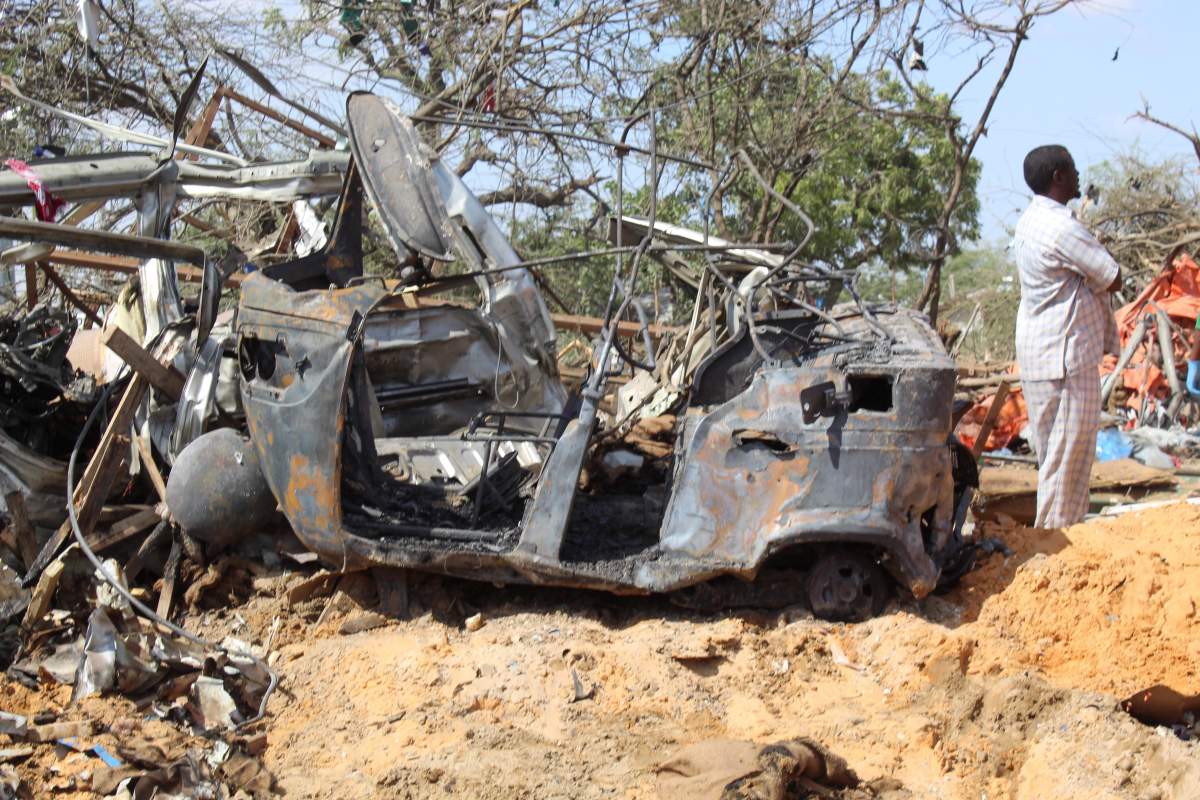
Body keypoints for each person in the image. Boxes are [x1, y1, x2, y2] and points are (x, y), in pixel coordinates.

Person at [1012, 145, 1122, 528]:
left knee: (1053, 457)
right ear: (1058, 176)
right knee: (1069, 461)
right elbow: (1111, 275)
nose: (1078, 176)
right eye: (1072, 169)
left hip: (1040, 353)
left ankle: (1053, 543)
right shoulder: (1061, 227)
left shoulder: (1029, 222)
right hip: (1066, 357)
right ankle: (1057, 550)